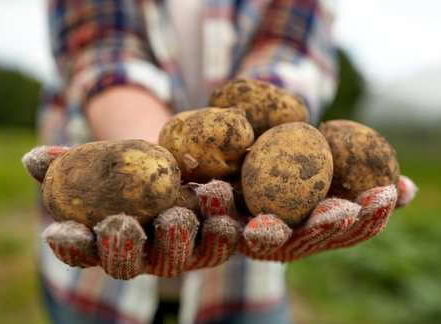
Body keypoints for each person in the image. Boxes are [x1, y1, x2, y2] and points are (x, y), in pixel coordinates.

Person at [38, 0, 339, 323]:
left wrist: (265, 125)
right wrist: (156, 150)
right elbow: (102, 48)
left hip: (241, 283)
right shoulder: (165, 164)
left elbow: (287, 48)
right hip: (97, 285)